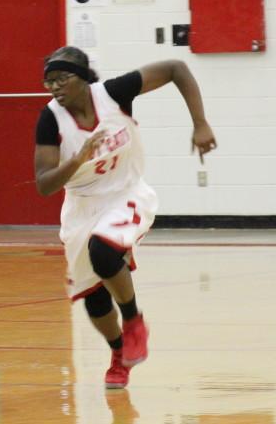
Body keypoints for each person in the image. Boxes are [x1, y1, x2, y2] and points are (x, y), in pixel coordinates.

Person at [33, 46, 217, 389]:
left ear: (85, 77)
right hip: (82, 204)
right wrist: (78, 159)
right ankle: (119, 352)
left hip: (126, 192)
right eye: (49, 82)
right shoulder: (50, 118)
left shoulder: (114, 93)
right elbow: (44, 184)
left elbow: (177, 67)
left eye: (61, 78)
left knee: (103, 251)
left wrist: (200, 123)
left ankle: (134, 322)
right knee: (94, 295)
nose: (55, 87)